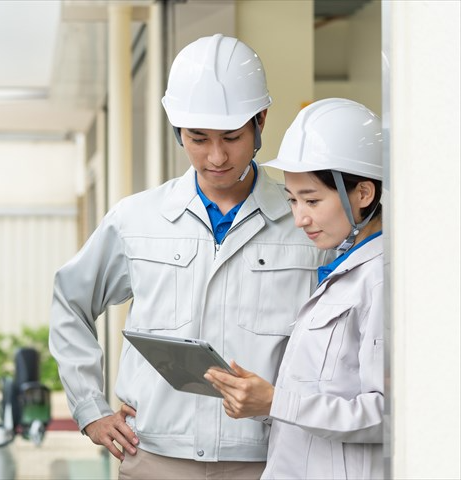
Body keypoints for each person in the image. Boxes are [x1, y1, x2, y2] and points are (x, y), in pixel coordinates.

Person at [49, 34, 329, 479]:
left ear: (261, 121)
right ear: (177, 129)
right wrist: (90, 407)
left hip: (267, 460)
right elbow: (71, 301)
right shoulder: (136, 218)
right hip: (155, 458)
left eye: (232, 138)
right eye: (198, 139)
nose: (216, 157)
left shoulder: (305, 224)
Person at [204, 98, 384, 479]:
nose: (299, 218)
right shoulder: (341, 270)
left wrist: (275, 402)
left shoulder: (382, 280)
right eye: (292, 200)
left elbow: (385, 414)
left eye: (312, 200)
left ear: (364, 194)